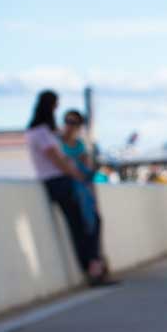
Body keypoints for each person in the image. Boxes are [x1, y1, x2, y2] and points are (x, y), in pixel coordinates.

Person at [25, 90, 113, 286]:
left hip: (66, 183)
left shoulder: (42, 133)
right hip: (61, 183)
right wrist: (78, 175)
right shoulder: (42, 133)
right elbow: (58, 161)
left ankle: (94, 266)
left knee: (88, 223)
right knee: (83, 226)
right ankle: (93, 269)